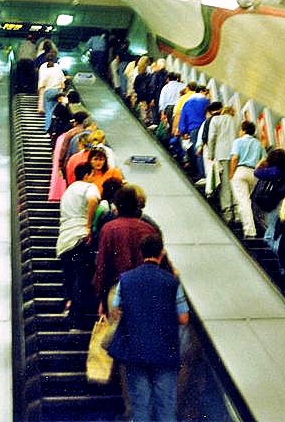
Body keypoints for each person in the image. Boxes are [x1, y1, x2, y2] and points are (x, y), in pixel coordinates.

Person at [107, 234, 189, 422]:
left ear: (141, 253)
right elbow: (184, 318)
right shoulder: (172, 282)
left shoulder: (125, 280)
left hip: (135, 351)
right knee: (166, 406)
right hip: (165, 352)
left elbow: (115, 312)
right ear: (161, 253)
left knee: (140, 405)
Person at [92, 186, 157, 317]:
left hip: (118, 290)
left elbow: (102, 265)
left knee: (118, 333)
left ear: (117, 206)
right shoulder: (149, 229)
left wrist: (102, 299)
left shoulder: (109, 229)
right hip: (145, 290)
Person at [56, 162, 100, 331]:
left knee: (69, 277)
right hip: (79, 238)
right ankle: (77, 320)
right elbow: (93, 200)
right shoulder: (89, 187)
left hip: (64, 241)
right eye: (92, 174)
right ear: (87, 175)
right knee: (81, 278)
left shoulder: (68, 191)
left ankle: (67, 308)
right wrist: (88, 226)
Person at [253, 148, 285, 252]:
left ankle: (280, 255)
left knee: (269, 235)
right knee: (277, 232)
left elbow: (257, 172)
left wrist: (262, 162)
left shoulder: (276, 171)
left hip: (277, 204)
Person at [228, 121, 264, 239]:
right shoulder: (258, 144)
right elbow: (264, 160)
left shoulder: (238, 142)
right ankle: (252, 225)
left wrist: (231, 174)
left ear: (243, 131)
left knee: (243, 201)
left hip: (240, 171)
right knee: (249, 201)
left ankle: (249, 231)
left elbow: (234, 158)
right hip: (254, 173)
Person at [206, 105, 237, 222]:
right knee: (234, 182)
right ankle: (238, 213)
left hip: (222, 154)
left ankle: (227, 213)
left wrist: (211, 154)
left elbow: (212, 137)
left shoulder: (215, 120)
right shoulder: (233, 120)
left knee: (225, 183)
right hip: (235, 154)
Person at [37, 54, 67, 131]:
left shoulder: (45, 70)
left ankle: (47, 128)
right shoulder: (58, 70)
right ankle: (54, 128)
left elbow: (42, 84)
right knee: (54, 111)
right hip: (57, 92)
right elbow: (63, 84)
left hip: (48, 92)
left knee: (48, 111)